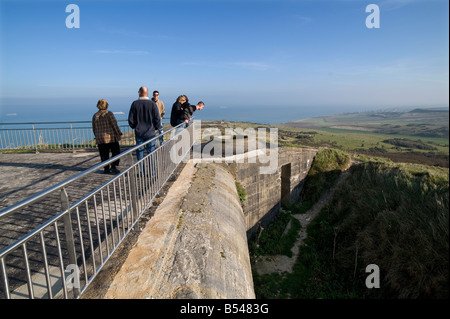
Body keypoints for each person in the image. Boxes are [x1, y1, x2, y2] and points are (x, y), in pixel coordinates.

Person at [128, 86, 161, 162]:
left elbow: (131, 119)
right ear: (148, 93)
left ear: (139, 92)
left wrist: (135, 127)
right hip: (150, 132)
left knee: (140, 154)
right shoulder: (152, 104)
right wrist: (156, 128)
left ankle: (141, 172)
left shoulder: (135, 104)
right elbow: (157, 118)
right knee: (151, 154)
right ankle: (152, 173)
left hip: (139, 132)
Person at [92, 99, 123, 174]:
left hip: (100, 138)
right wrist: (119, 133)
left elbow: (94, 127)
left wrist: (96, 136)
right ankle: (113, 166)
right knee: (116, 151)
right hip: (110, 137)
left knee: (104, 154)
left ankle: (106, 168)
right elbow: (114, 124)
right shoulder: (109, 114)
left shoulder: (95, 115)